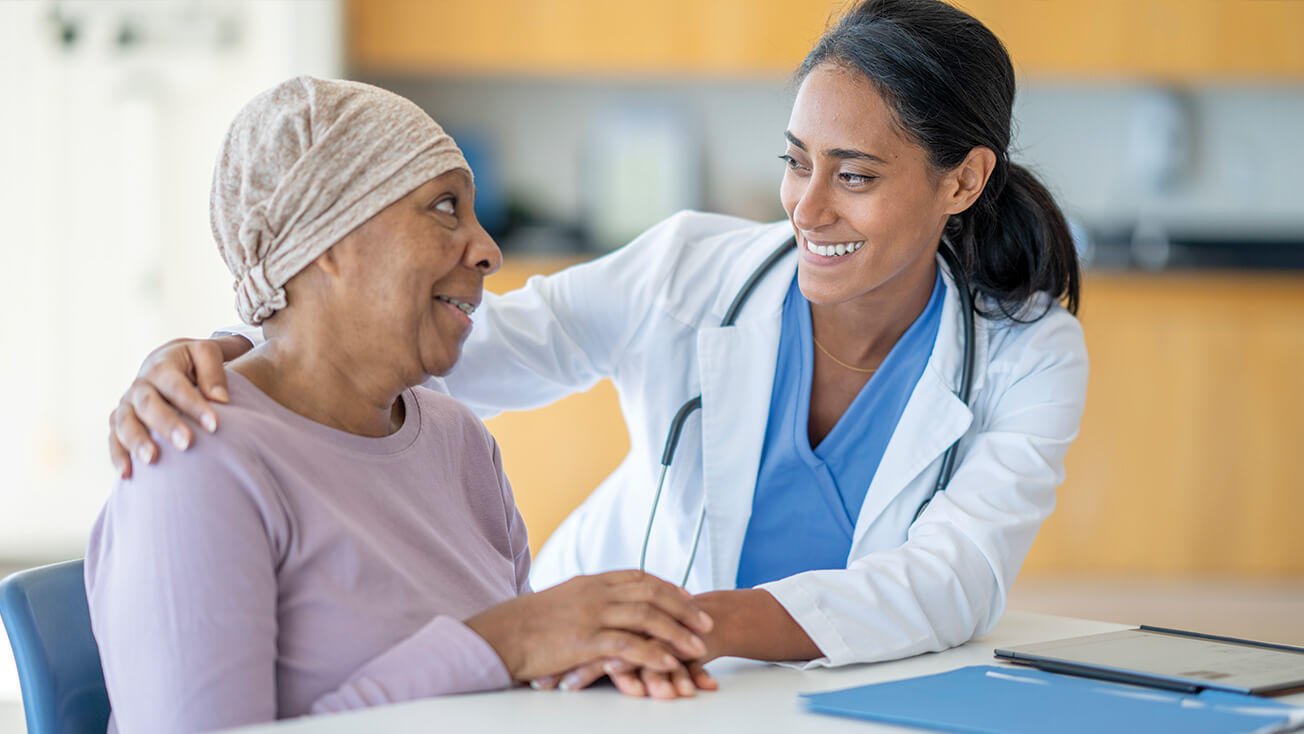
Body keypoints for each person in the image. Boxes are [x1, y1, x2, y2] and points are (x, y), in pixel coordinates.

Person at [107, 0, 1087, 697]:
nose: (807, 206)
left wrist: (652, 619)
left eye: (856, 174)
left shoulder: (1027, 353)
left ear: (961, 180)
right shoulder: (688, 271)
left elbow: (950, 577)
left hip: (732, 673)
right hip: (600, 688)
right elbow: (442, 342)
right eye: (794, 161)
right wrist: (237, 344)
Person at [86, 76, 717, 733]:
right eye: (445, 207)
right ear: (327, 240)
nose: (488, 250)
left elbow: (514, 693)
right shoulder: (196, 460)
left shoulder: (457, 440)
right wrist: (502, 642)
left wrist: (591, 658)